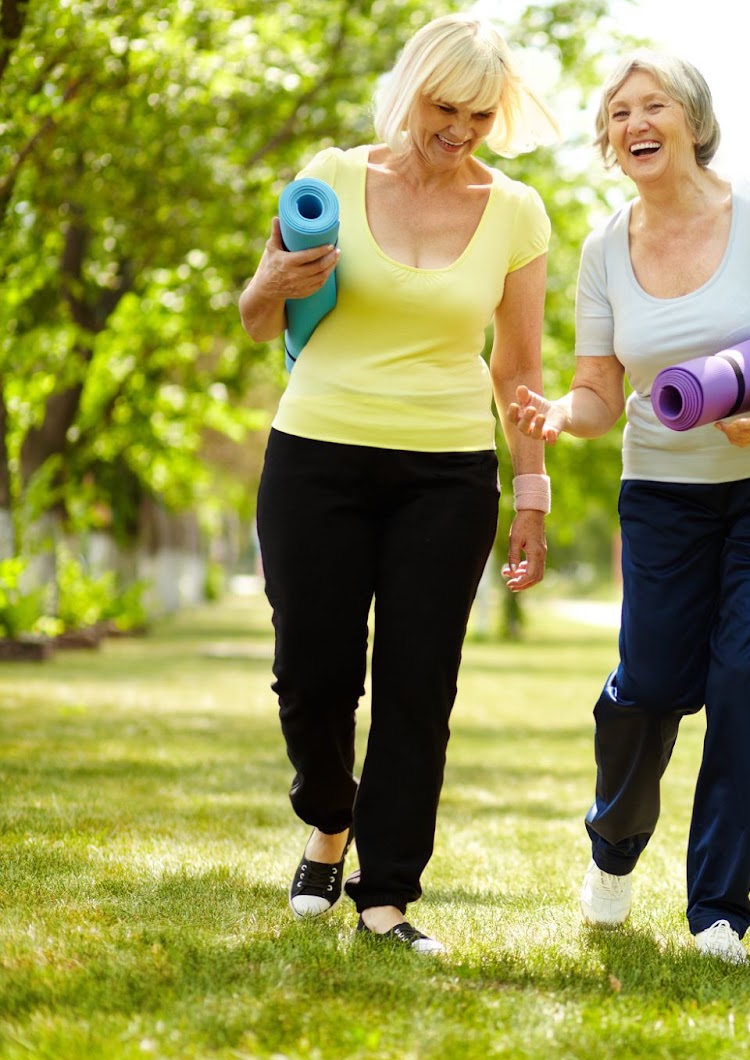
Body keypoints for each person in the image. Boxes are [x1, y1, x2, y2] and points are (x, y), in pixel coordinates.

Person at [509, 51, 750, 965]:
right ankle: (613, 848)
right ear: (610, 141)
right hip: (667, 490)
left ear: (692, 121)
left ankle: (718, 909)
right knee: (650, 686)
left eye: (654, 105)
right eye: (617, 113)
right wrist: (561, 415)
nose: (633, 122)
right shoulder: (605, 248)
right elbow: (599, 391)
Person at [239, 14, 560, 955]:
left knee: (419, 684)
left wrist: (533, 495)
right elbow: (262, 322)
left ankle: (385, 893)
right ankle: (328, 820)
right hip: (317, 455)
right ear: (412, 87)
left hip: (448, 472)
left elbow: (520, 370)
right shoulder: (332, 176)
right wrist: (268, 278)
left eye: (480, 113)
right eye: (445, 106)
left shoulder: (516, 210)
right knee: (311, 672)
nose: (459, 128)